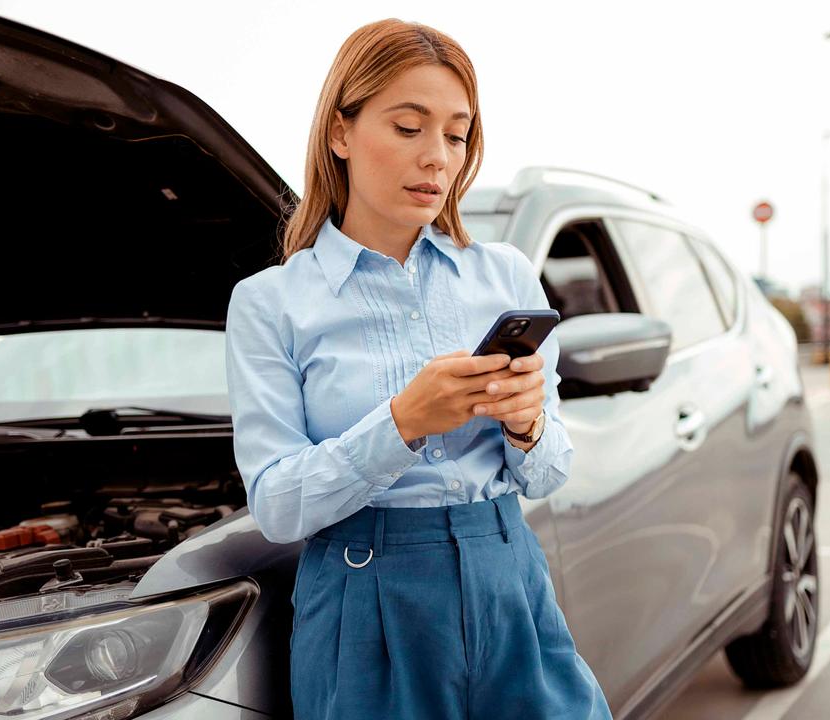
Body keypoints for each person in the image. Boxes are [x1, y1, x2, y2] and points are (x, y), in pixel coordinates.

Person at [225, 17, 613, 720]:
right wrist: (402, 423)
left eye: (457, 135)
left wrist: (526, 425)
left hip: (509, 578)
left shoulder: (506, 275)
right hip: (363, 599)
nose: (437, 157)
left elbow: (548, 474)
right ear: (340, 133)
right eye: (409, 128)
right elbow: (276, 506)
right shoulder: (270, 303)